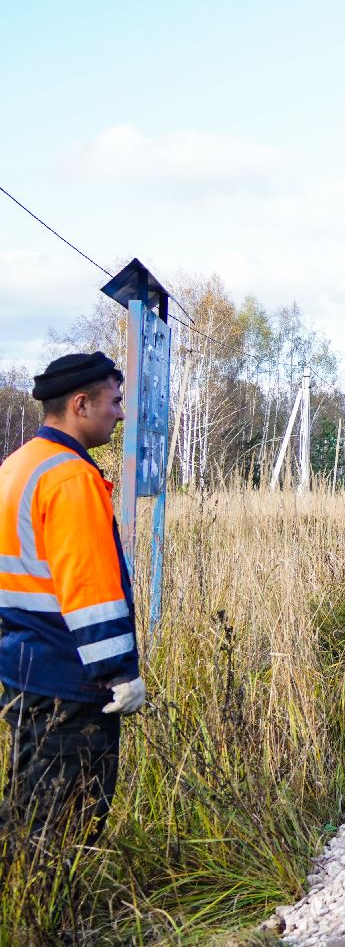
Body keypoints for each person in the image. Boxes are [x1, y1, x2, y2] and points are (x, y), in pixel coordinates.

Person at [0, 351, 145, 841]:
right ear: (81, 404)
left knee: (28, 805)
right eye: (115, 401)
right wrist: (119, 674)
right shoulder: (70, 477)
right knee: (70, 819)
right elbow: (89, 589)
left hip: (21, 665)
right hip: (69, 675)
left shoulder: (18, 465)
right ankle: (55, 893)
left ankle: (25, 886)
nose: (120, 414)